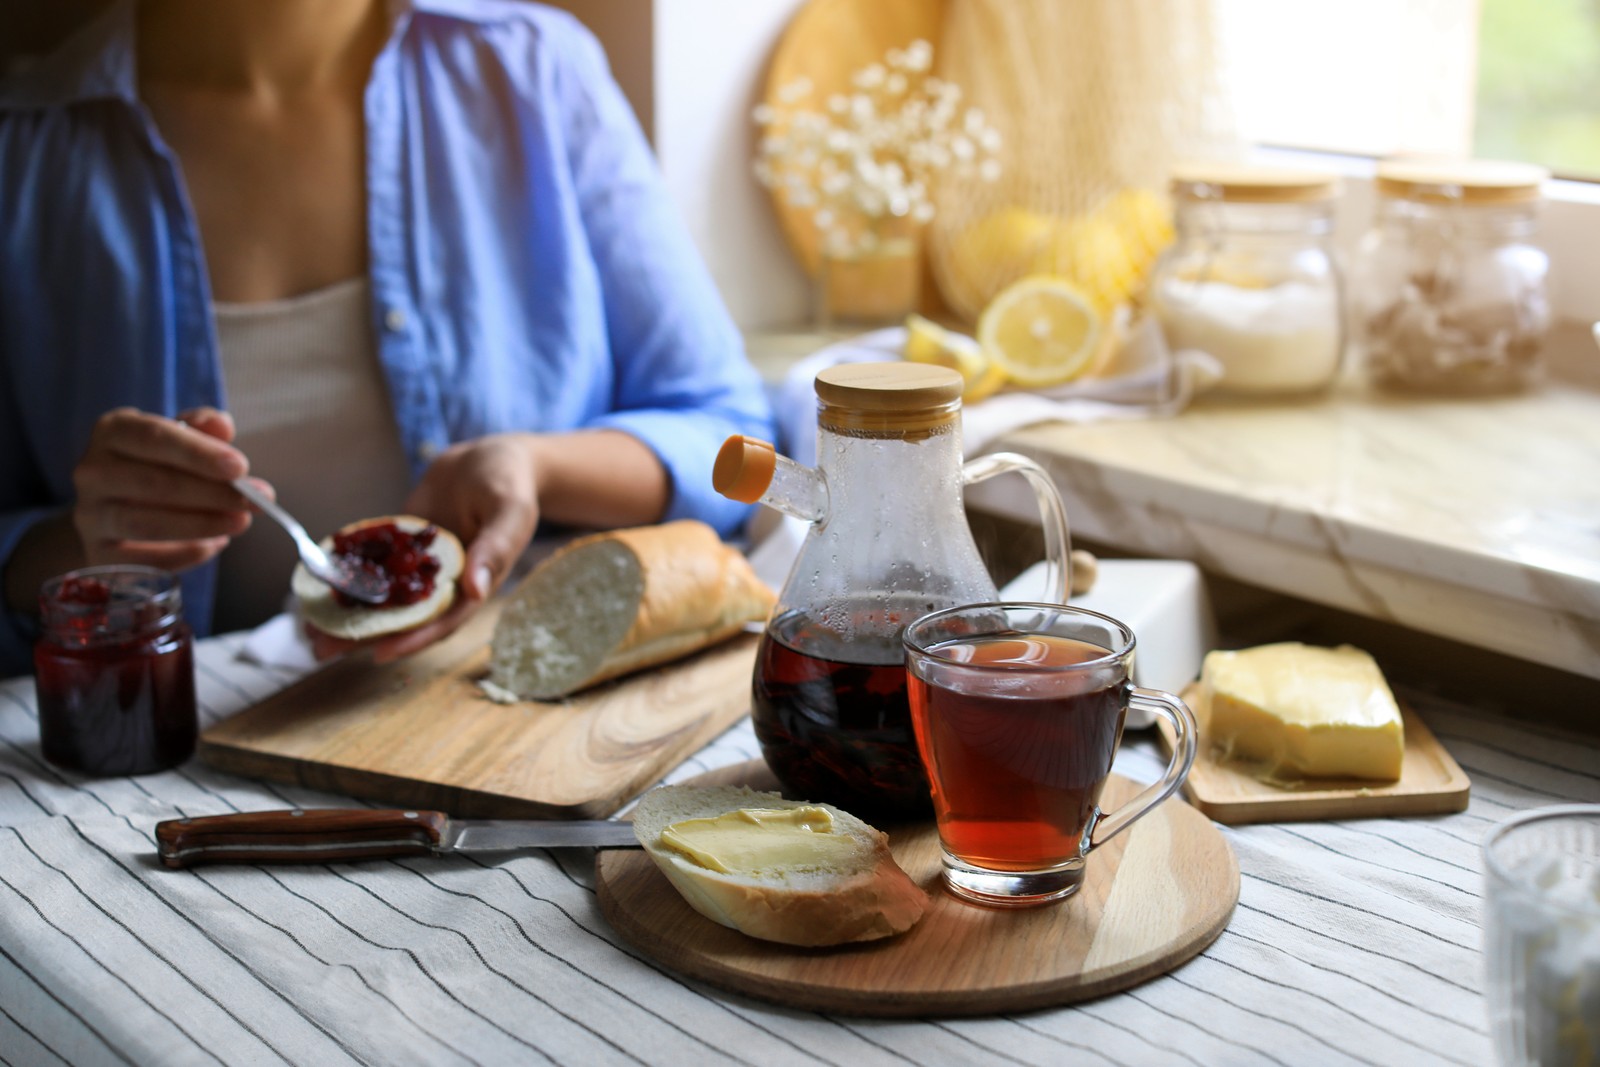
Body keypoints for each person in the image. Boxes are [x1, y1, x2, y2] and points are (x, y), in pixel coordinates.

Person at [0, 0, 776, 677]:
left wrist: (536, 465)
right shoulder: (23, 151)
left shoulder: (534, 70)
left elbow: (732, 440)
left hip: (509, 716)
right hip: (175, 759)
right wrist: (83, 543)